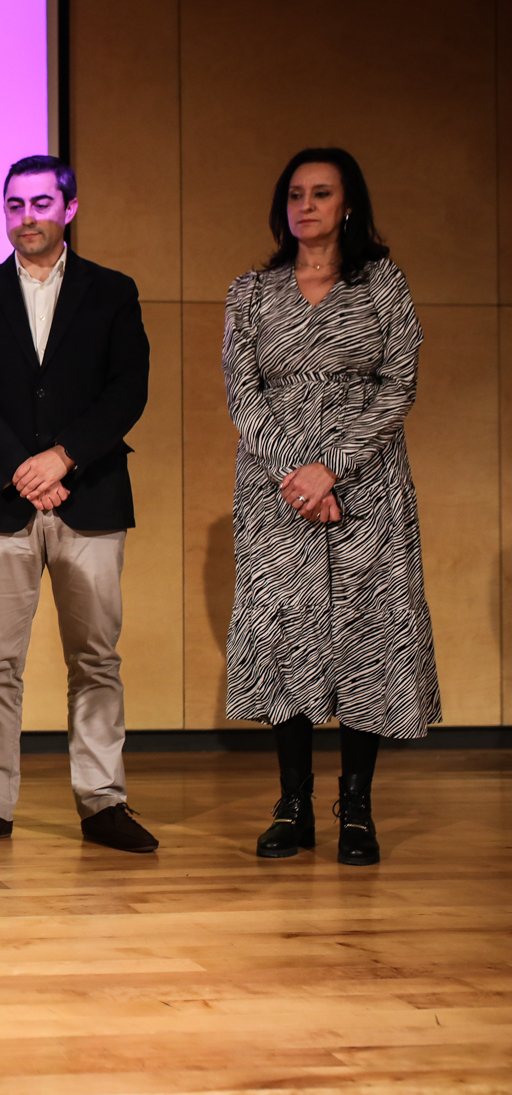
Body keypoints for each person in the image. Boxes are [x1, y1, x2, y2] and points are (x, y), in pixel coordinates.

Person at [222, 147, 439, 866]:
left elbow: (398, 385)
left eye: (321, 193)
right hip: (276, 491)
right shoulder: (251, 291)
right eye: (295, 194)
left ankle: (356, 807)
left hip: (364, 487)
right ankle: (292, 804)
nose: (305, 205)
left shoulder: (381, 283)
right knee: (286, 635)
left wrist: (332, 470)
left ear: (348, 204)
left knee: (363, 634)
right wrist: (296, 473)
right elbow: (242, 394)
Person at [0, 154, 157, 853]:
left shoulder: (113, 292)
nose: (25, 217)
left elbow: (127, 390)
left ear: (68, 209)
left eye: (39, 203)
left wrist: (62, 458)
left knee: (95, 658)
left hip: (88, 496)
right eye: (14, 205)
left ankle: (103, 802)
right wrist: (21, 470)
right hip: (0, 503)